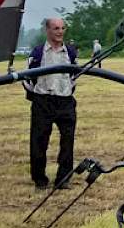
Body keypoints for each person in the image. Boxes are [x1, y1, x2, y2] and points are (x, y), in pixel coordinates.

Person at [25, 17, 78, 190]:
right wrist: (37, 96)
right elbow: (28, 78)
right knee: (39, 141)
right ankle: (40, 180)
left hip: (65, 101)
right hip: (43, 101)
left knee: (68, 142)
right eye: (56, 28)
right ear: (47, 30)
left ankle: (63, 179)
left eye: (62, 28)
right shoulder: (38, 52)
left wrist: (68, 91)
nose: (60, 32)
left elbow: (75, 75)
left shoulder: (70, 52)